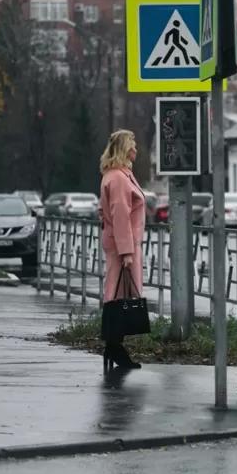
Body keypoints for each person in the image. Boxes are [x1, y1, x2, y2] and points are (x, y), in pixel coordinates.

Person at [99, 129, 145, 370]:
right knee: (116, 296)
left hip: (120, 242)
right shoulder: (117, 177)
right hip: (123, 245)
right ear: (124, 148)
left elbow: (103, 210)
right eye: (132, 144)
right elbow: (120, 215)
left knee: (117, 294)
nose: (136, 149)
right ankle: (114, 347)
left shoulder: (117, 174)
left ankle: (114, 347)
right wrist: (126, 251)